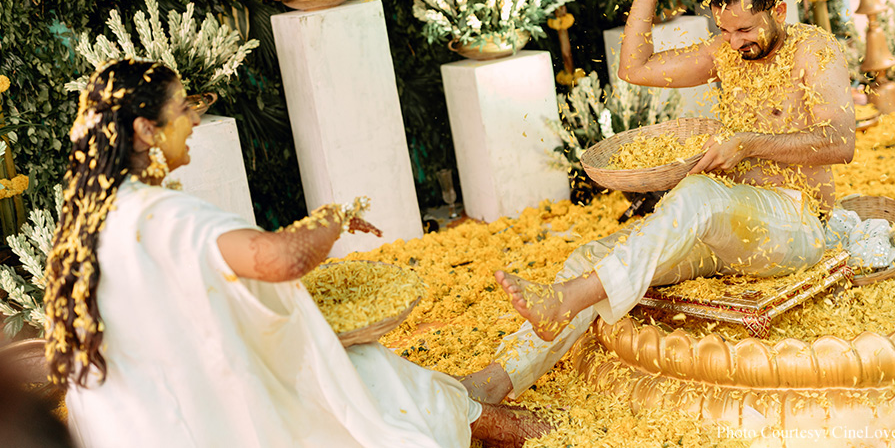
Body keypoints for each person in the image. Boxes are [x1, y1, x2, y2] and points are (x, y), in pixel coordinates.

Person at [44, 59, 546, 447]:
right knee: (358, 368)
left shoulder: (88, 217)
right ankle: (496, 420)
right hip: (201, 421)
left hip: (124, 426)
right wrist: (331, 220)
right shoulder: (162, 216)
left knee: (338, 361)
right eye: (182, 110)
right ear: (146, 130)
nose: (195, 120)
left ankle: (471, 401)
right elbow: (277, 261)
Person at [461, 0, 855, 404]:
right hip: (729, 226)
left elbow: (842, 142)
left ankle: (573, 296)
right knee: (589, 256)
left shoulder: (815, 50)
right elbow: (635, 68)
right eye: (723, 30)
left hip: (797, 224)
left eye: (745, 29)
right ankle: (492, 384)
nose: (733, 42)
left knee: (700, 194)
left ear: (779, 11)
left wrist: (748, 143)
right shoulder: (724, 52)